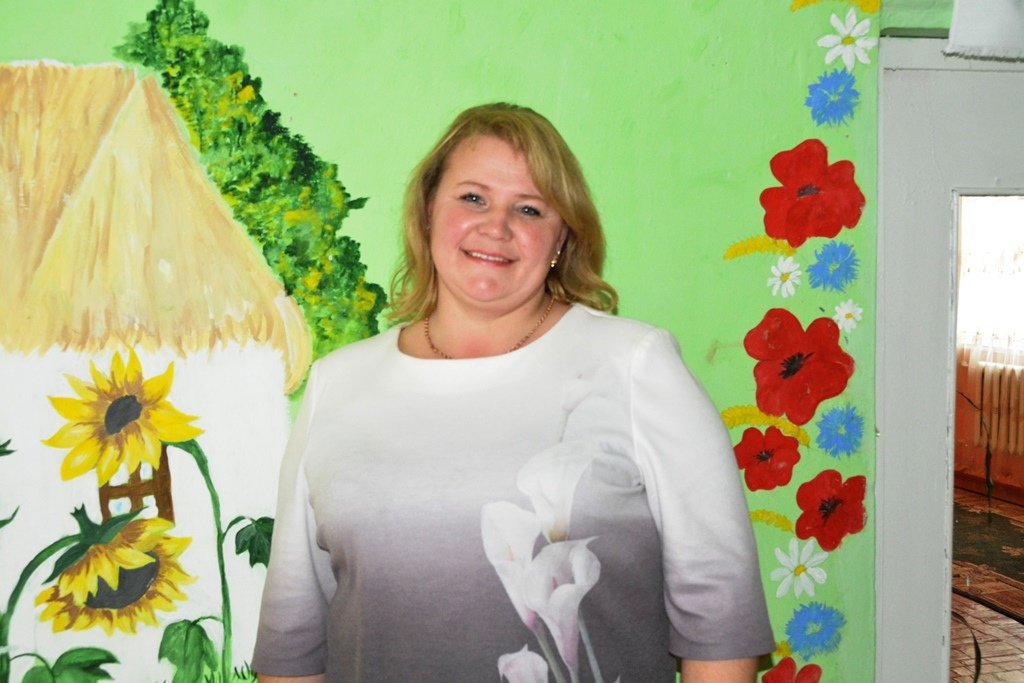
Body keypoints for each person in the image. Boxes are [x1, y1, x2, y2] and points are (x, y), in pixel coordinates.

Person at [252, 103, 774, 683]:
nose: (496, 226)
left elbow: (719, 609)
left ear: (561, 239)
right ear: (427, 213)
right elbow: (294, 633)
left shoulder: (635, 366)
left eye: (529, 208)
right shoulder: (338, 383)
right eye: (473, 198)